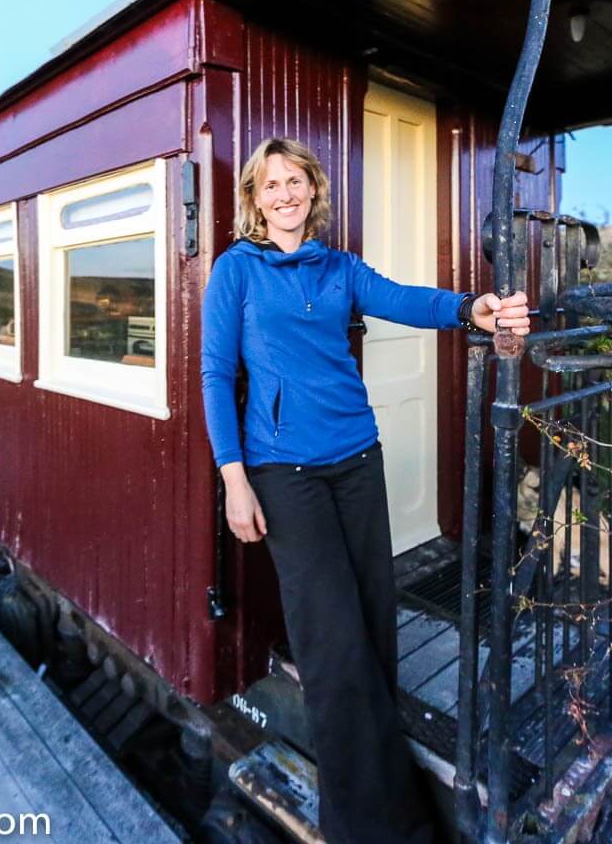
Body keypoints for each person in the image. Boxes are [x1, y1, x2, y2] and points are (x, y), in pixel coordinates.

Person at [200, 137, 531, 843]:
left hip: (357, 461)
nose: (284, 193)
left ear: (314, 192)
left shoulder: (340, 268)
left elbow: (406, 300)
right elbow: (214, 375)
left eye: (295, 181)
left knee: (373, 627)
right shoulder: (237, 272)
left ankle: (378, 789)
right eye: (270, 184)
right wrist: (234, 479)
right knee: (331, 647)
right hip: (284, 475)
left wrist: (472, 307)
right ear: (255, 201)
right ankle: (372, 827)